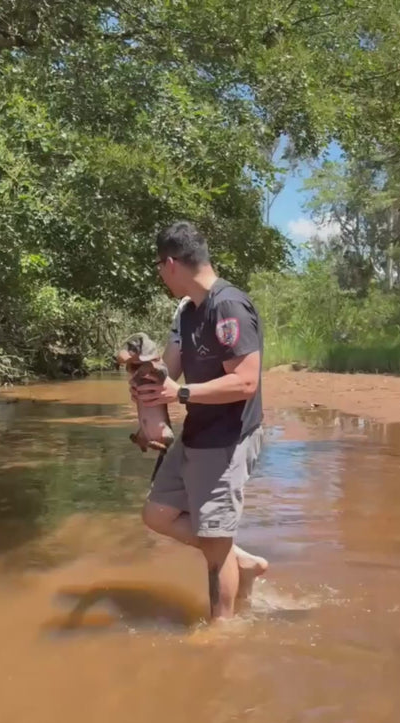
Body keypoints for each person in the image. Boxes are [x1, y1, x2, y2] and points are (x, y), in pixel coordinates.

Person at [131, 220, 268, 621]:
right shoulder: (188, 311)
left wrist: (180, 393)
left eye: (159, 265)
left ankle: (221, 632)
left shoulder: (227, 306)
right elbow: (169, 373)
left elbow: (245, 381)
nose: (159, 274)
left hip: (227, 439)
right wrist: (147, 387)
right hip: (197, 432)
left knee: (215, 544)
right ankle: (241, 561)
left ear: (171, 263)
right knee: (156, 514)